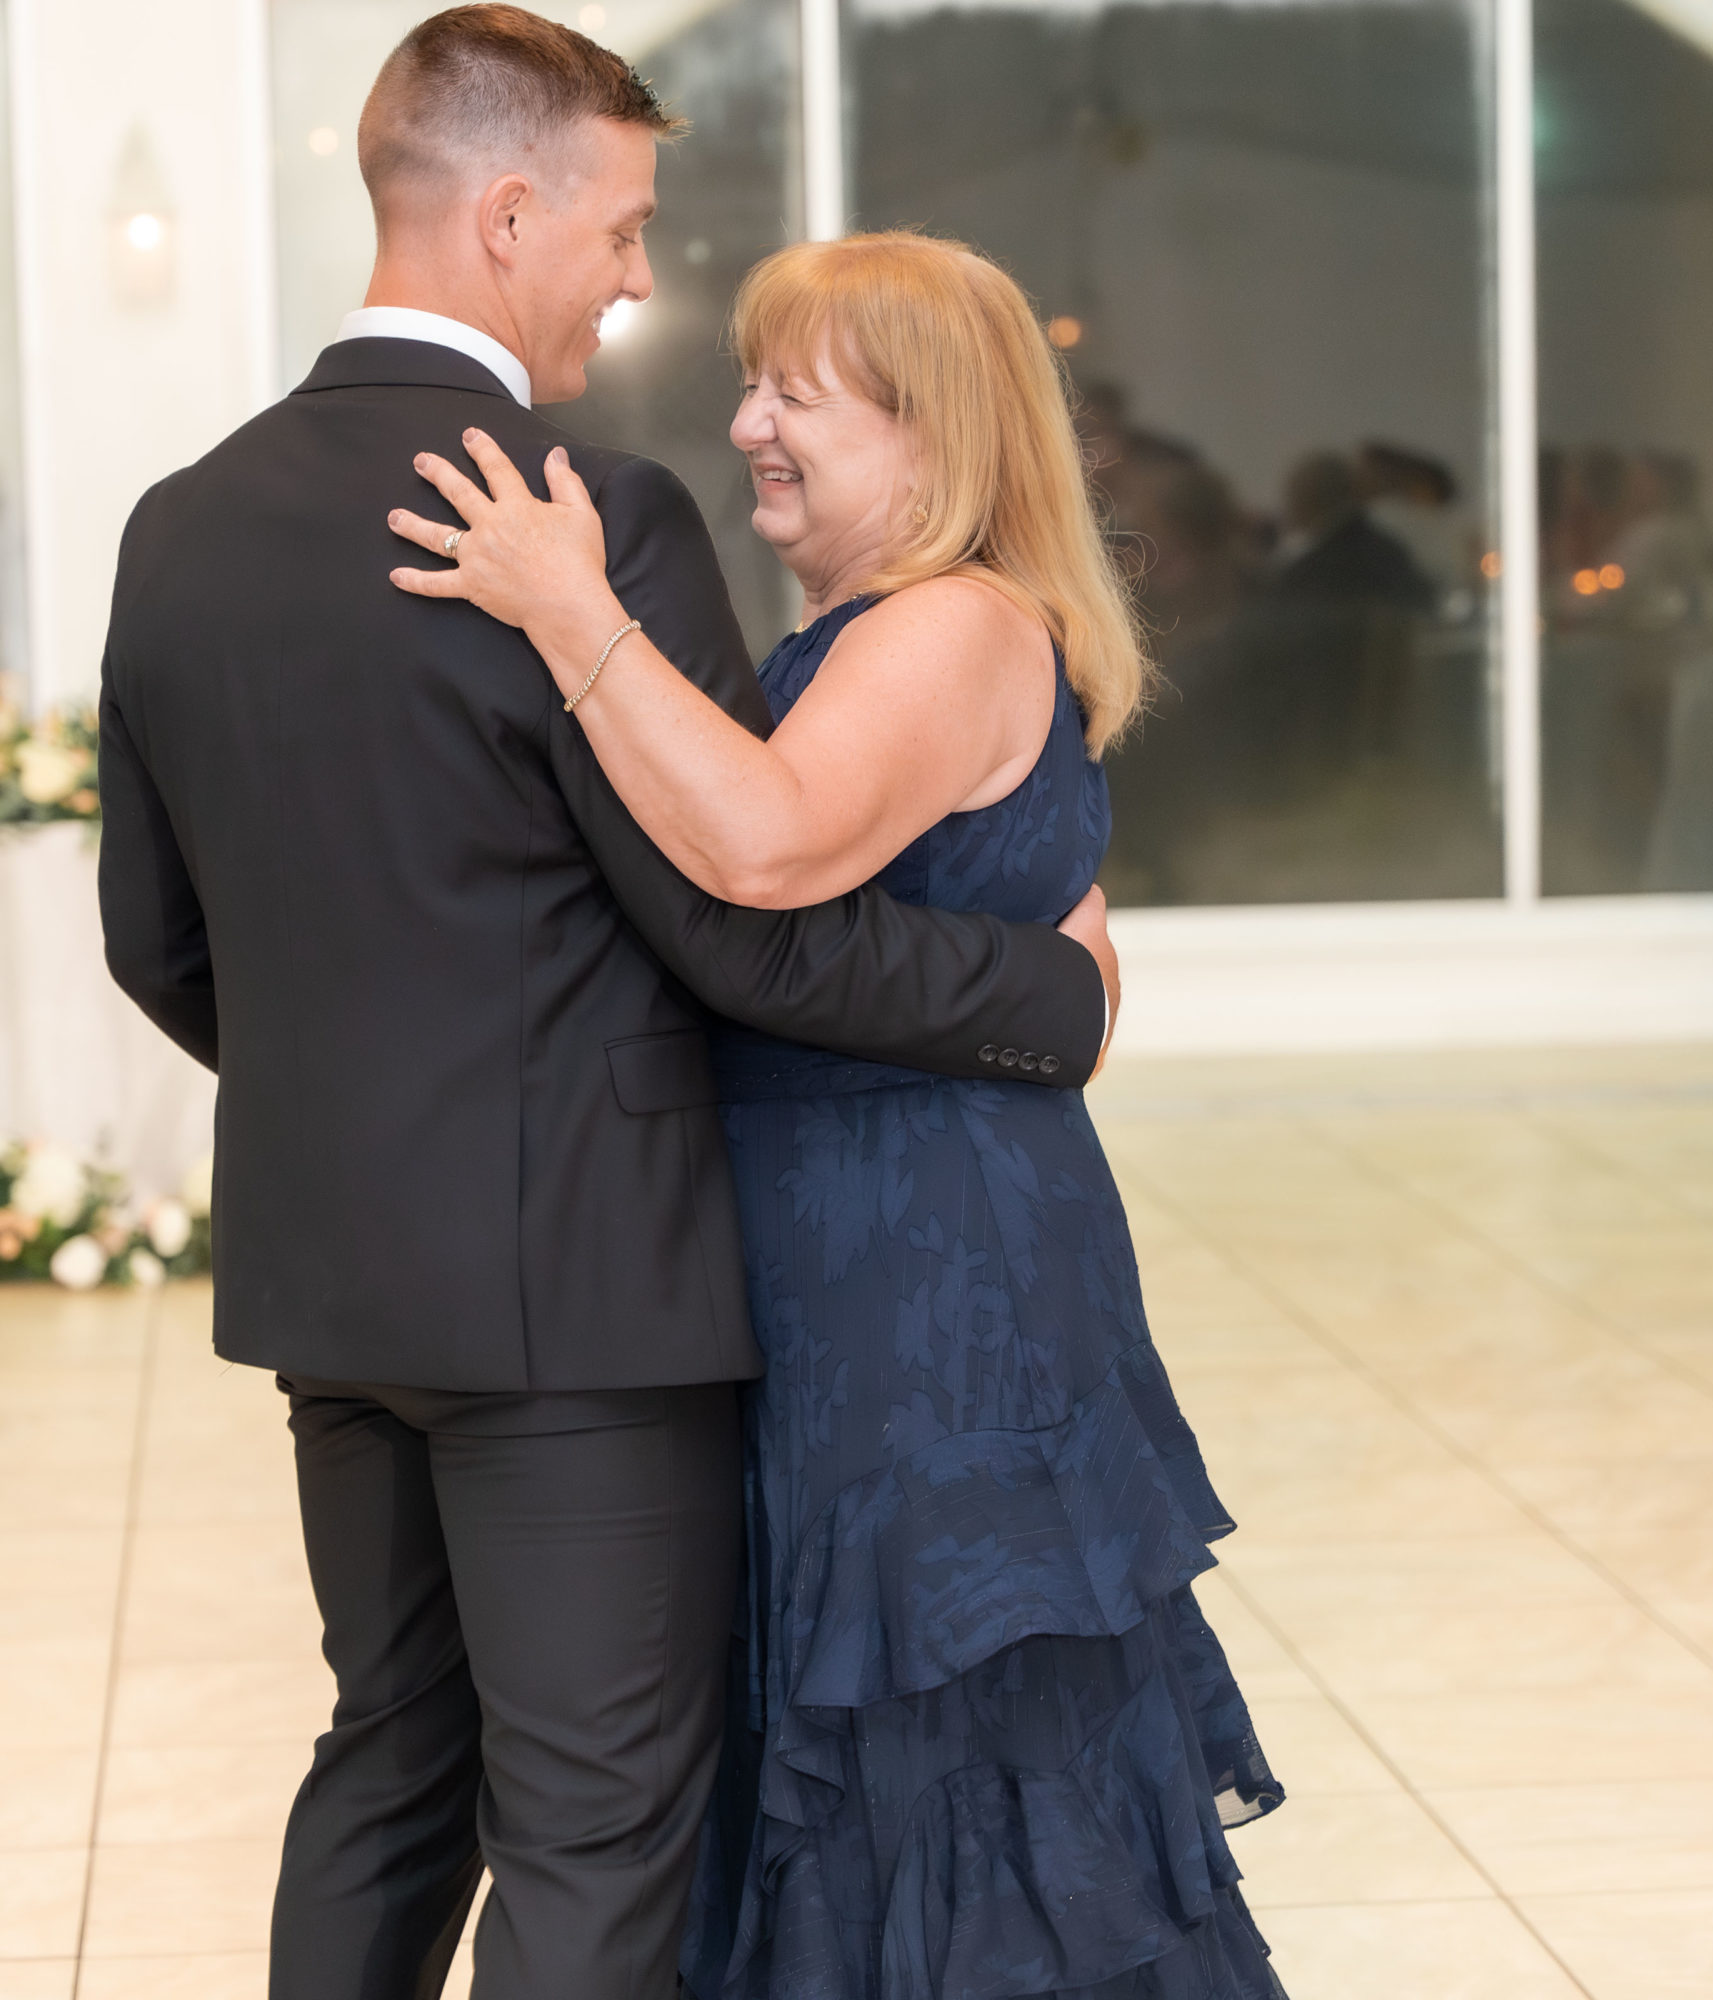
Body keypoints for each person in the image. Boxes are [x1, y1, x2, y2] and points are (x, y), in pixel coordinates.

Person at [92, 15, 1115, 1997]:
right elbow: (748, 926)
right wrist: (1043, 995)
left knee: (389, 1768)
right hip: (578, 1295)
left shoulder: (180, 522)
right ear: (506, 214)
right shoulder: (588, 517)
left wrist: (367, 1098)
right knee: (592, 1825)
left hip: (332, 1280)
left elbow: (157, 936)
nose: (636, 278)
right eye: (624, 226)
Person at [387, 229, 1285, 1997]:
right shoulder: (890, 632)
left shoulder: (948, 624)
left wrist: (570, 609)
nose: (747, 428)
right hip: (873, 1245)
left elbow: (767, 845)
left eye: (794, 397)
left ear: (934, 442)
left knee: (932, 1752)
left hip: (918, 1283)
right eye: (751, 388)